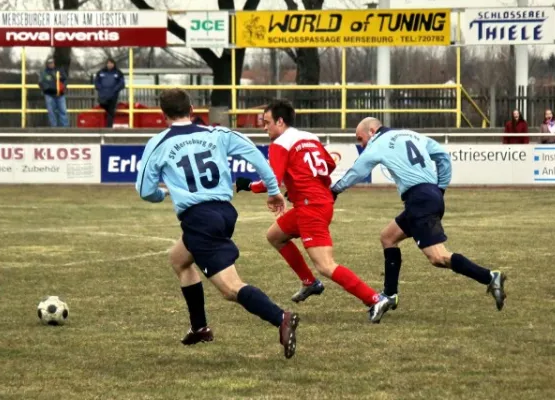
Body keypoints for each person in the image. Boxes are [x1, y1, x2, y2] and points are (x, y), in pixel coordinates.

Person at [135, 89, 300, 359]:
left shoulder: (159, 143)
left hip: (200, 218)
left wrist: (160, 195)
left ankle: (280, 317)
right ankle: (199, 326)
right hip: (224, 211)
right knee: (179, 259)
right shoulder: (217, 134)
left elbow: (144, 190)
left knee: (230, 288)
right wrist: (273, 190)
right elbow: (256, 155)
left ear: (162, 115)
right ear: (191, 110)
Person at [330, 117, 507, 323]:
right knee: (388, 237)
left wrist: (335, 190)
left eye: (360, 138)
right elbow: (442, 157)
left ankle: (489, 277)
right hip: (428, 195)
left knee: (438, 257)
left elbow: (359, 170)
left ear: (371, 130)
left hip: (419, 199)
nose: (361, 144)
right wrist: (439, 189)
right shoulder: (413, 135)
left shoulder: (378, 143)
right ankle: (390, 294)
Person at [235, 99, 386, 323]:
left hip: (310, 207)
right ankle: (309, 282)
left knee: (325, 265)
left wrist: (248, 185)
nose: (264, 128)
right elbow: (329, 164)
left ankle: (374, 299)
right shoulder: (309, 137)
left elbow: (271, 181)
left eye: (266, 123)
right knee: (275, 236)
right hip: (318, 201)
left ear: (280, 121)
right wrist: (300, 182)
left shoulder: (279, 144)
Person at [95, 58, 125, 128]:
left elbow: (121, 83)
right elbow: (96, 82)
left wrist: (115, 90)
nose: (109, 64)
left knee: (111, 111)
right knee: (107, 109)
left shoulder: (118, 72)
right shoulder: (101, 72)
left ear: (114, 64)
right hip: (103, 95)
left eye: (111, 63)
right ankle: (107, 126)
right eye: (108, 63)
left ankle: (108, 128)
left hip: (113, 96)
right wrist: (100, 89)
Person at [38, 57, 68, 127]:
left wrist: (64, 87)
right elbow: (40, 83)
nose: (51, 64)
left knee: (63, 111)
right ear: (47, 64)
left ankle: (65, 129)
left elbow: (65, 80)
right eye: (49, 63)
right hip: (49, 95)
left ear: (54, 63)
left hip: (60, 94)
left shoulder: (60, 70)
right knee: (51, 112)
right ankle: (54, 128)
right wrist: (47, 89)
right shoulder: (44, 72)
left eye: (52, 63)